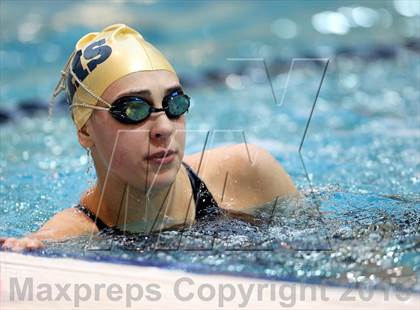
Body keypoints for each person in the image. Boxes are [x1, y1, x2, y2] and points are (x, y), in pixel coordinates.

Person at [1, 24, 297, 252]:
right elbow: (32, 247)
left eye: (175, 104)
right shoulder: (71, 236)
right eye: (133, 109)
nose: (164, 127)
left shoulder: (248, 172)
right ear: (85, 131)